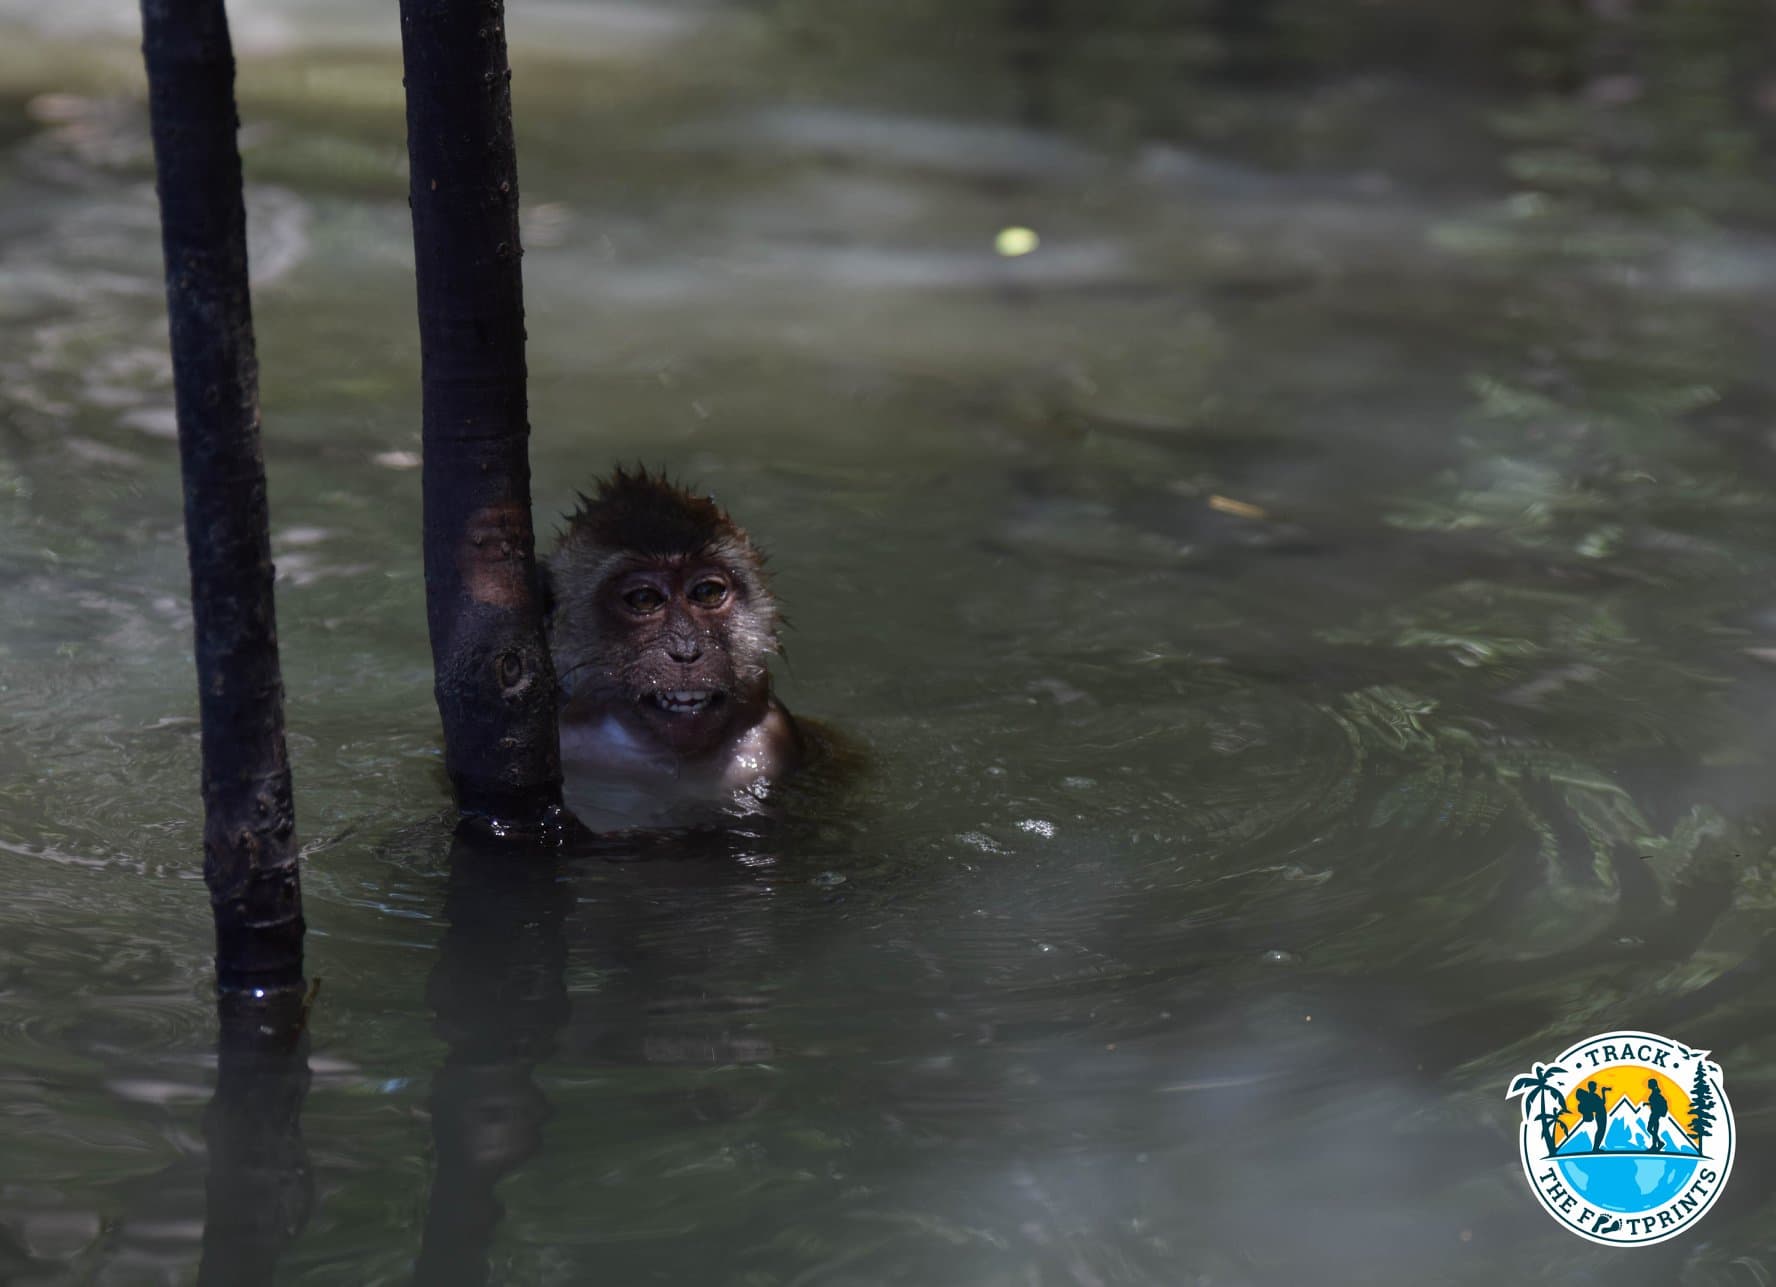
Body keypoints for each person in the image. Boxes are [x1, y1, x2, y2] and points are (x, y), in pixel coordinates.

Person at [1573, 1080, 1609, 1150]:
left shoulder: (1590, 1096)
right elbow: (1602, 1102)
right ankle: (1596, 1148)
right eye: (1595, 1087)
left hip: (1600, 1114)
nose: (1596, 1088)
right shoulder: (1593, 1096)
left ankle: (1596, 1147)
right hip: (1601, 1114)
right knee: (1601, 1131)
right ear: (1592, 1087)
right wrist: (1603, 1092)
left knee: (1600, 1130)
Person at [1646, 1078, 1669, 1153]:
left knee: (1649, 1129)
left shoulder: (1655, 1093)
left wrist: (1650, 1104)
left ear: (1652, 1084)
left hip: (1655, 1113)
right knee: (1654, 1130)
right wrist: (1648, 1103)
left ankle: (1658, 1143)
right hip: (1656, 1113)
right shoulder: (1655, 1092)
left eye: (1649, 1083)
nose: (1648, 1085)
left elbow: (1656, 1103)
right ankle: (1655, 1145)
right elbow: (1654, 1102)